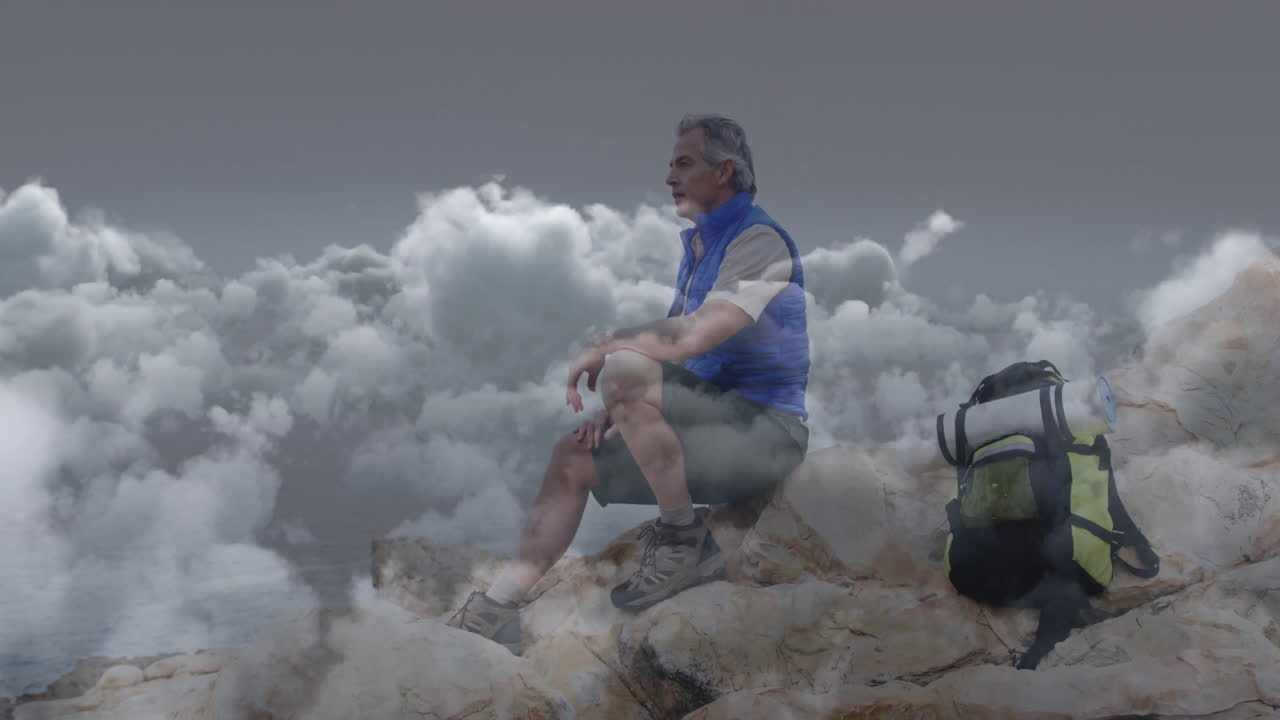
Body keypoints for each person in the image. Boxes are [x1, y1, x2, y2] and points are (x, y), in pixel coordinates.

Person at [447, 114, 811, 655]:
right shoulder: (699, 249)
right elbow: (678, 369)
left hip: (767, 438)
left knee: (622, 368)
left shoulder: (760, 242)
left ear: (725, 170)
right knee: (572, 456)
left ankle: (685, 540)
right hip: (712, 429)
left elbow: (696, 338)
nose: (669, 177)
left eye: (683, 164)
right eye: (670, 165)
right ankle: (496, 607)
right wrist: (623, 410)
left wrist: (608, 348)